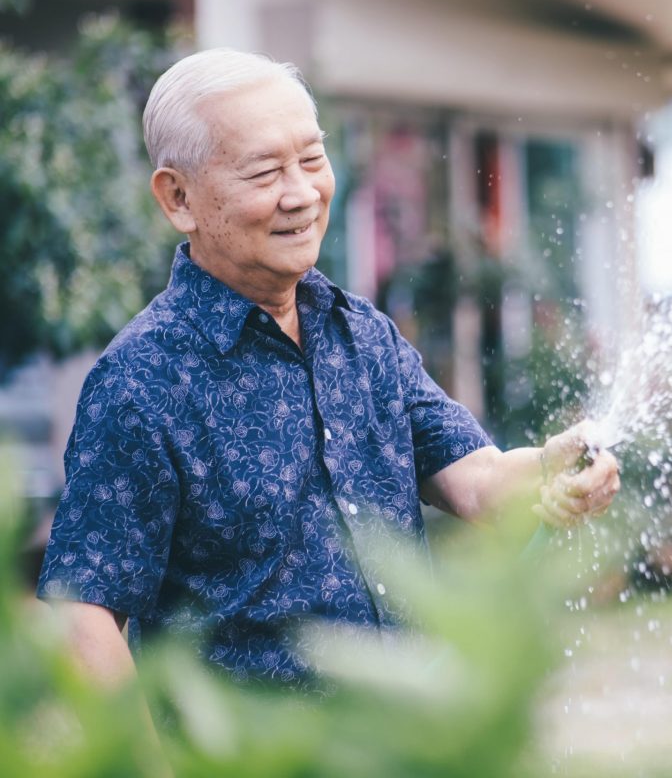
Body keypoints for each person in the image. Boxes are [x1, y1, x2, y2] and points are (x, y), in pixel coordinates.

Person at [36, 48, 620, 690]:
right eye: (264, 173)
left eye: (312, 159)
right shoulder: (141, 381)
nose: (302, 193)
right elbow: (84, 616)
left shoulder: (361, 335)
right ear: (179, 198)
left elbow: (475, 480)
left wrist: (546, 472)